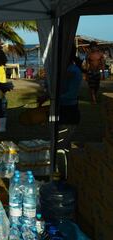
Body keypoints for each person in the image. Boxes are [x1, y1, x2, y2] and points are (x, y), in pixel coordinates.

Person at [38, 45, 83, 179]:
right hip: (58, 112)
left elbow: (70, 95)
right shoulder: (61, 71)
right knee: (60, 145)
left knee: (60, 148)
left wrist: (50, 96)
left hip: (68, 114)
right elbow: (54, 89)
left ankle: (62, 178)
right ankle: (62, 176)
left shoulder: (74, 71)